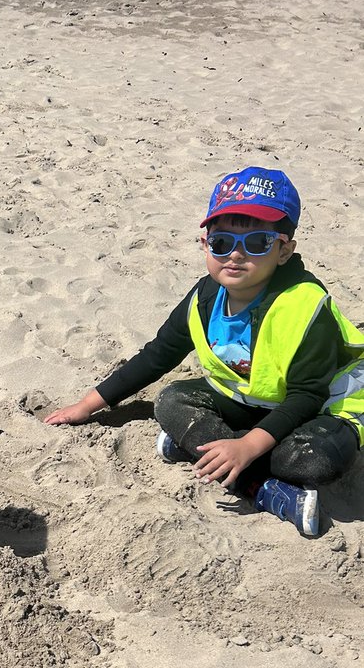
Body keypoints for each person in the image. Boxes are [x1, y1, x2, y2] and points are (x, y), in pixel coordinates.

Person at [44, 167, 364, 537]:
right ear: (205, 244)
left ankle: (212, 454)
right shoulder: (204, 298)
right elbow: (159, 355)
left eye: (257, 242)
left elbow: (307, 395)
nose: (236, 254)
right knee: (171, 401)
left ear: (283, 250)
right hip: (252, 402)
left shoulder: (305, 306)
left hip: (321, 407)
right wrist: (87, 405)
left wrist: (248, 445)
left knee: (314, 461)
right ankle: (260, 486)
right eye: (222, 242)